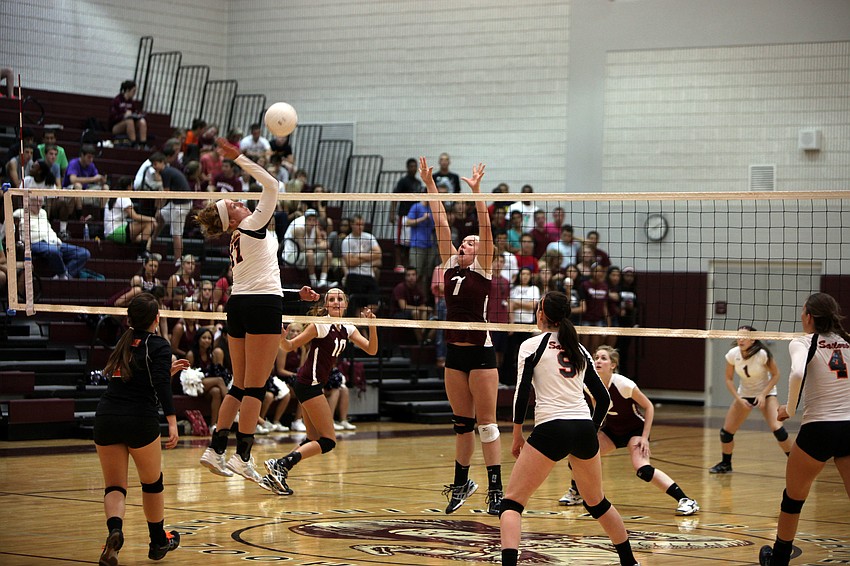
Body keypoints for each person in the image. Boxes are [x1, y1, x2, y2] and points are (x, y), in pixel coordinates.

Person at [196, 138, 318, 482]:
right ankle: (242, 456)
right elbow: (273, 184)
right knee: (255, 387)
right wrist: (240, 159)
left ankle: (215, 449)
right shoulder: (250, 224)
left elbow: (263, 282)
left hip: (240, 305)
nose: (238, 201)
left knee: (239, 385)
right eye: (232, 202)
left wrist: (296, 297)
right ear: (231, 217)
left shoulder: (238, 237)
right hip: (261, 306)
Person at [501, 291, 637, 566]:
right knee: (597, 503)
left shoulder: (531, 345)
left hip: (552, 427)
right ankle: (629, 562)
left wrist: (517, 434)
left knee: (512, 503)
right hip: (583, 428)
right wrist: (592, 430)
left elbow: (522, 392)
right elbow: (604, 399)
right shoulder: (579, 347)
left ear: (541, 314)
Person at [420, 156, 504, 516]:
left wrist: (477, 195)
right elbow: (440, 220)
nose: (464, 244)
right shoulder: (449, 265)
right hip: (454, 355)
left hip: (481, 354)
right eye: (464, 241)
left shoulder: (483, 268)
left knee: (486, 425)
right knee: (461, 425)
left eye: (470, 242)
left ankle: (496, 492)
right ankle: (460, 484)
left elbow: (485, 233)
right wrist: (430, 183)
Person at [94, 293, 187, 565]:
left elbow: (138, 377)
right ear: (157, 319)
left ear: (130, 319)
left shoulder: (123, 342)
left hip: (107, 416)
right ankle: (158, 541)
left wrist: (164, 371)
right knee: (152, 483)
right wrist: (172, 420)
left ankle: (115, 531)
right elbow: (159, 387)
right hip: (139, 419)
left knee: (114, 486)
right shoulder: (158, 345)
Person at [759, 292, 850, 566]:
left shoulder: (802, 342)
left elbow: (797, 373)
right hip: (849, 428)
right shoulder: (847, 342)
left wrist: (789, 408)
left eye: (802, 312)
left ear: (809, 316)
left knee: (793, 498)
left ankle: (779, 559)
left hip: (819, 429)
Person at [261, 289, 378, 495]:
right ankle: (280, 465)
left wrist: (373, 325)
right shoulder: (321, 325)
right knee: (327, 441)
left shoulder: (347, 328)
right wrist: (282, 338)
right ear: (325, 305)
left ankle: (277, 473)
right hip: (308, 384)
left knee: (312, 438)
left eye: (339, 299)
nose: (335, 302)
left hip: (312, 384)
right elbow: (289, 347)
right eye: (331, 299)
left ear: (346, 304)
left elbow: (371, 349)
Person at [558, 345, 699, 516]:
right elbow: (598, 408)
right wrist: (593, 431)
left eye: (603, 358)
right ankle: (576, 493)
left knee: (643, 470)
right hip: (612, 430)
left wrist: (645, 437)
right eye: (596, 357)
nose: (598, 361)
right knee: (578, 454)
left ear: (613, 365)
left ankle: (686, 500)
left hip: (635, 431)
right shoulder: (590, 384)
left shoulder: (623, 384)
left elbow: (649, 406)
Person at [709, 325, 793, 474]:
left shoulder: (762, 354)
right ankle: (726, 464)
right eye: (739, 336)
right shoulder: (732, 354)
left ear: (753, 339)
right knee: (726, 432)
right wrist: (738, 398)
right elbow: (728, 379)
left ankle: (795, 463)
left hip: (766, 394)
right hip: (745, 394)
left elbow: (776, 375)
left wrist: (762, 394)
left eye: (745, 337)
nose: (741, 339)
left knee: (778, 429)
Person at [13, 195, 90, 279]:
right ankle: (63, 274)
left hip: (52, 241)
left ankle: (65, 276)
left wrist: (56, 240)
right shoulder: (18, 213)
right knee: (53, 251)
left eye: (41, 202)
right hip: (34, 243)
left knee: (84, 253)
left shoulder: (43, 212)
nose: (39, 205)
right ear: (28, 202)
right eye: (36, 202)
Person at [183, 327, 228, 426]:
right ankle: (233, 407)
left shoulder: (211, 355)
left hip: (205, 385)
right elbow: (186, 377)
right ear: (198, 339)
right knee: (220, 380)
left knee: (216, 391)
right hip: (192, 386)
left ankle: (214, 425)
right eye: (204, 338)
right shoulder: (191, 354)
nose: (207, 340)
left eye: (209, 338)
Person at [103, 176, 157, 256]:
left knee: (147, 238)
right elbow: (134, 216)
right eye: (132, 186)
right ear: (129, 186)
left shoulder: (114, 195)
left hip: (109, 232)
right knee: (149, 224)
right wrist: (152, 219)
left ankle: (146, 255)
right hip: (116, 232)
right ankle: (142, 253)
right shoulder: (124, 197)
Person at [341, 214, 382, 316]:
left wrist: (359, 256)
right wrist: (369, 257)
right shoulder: (347, 241)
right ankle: (360, 328)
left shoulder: (369, 237)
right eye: (358, 224)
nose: (360, 227)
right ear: (352, 225)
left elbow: (378, 254)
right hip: (354, 276)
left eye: (362, 224)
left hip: (369, 276)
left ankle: (361, 323)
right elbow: (350, 263)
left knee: (374, 304)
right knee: (356, 306)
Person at [391, 158, 423, 270]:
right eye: (411, 166)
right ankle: (398, 264)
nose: (413, 168)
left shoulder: (418, 183)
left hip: (413, 217)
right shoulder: (403, 181)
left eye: (415, 166)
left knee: (408, 243)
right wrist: (392, 213)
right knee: (399, 242)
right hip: (403, 215)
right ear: (407, 167)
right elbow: (394, 197)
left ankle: (406, 265)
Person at [109, 80, 147, 147]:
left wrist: (138, 115)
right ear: (127, 90)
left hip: (130, 124)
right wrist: (123, 115)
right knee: (129, 121)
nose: (134, 93)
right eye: (133, 91)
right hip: (116, 126)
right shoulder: (117, 100)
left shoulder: (131, 102)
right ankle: (133, 143)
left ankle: (143, 144)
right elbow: (112, 118)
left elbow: (135, 112)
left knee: (142, 121)